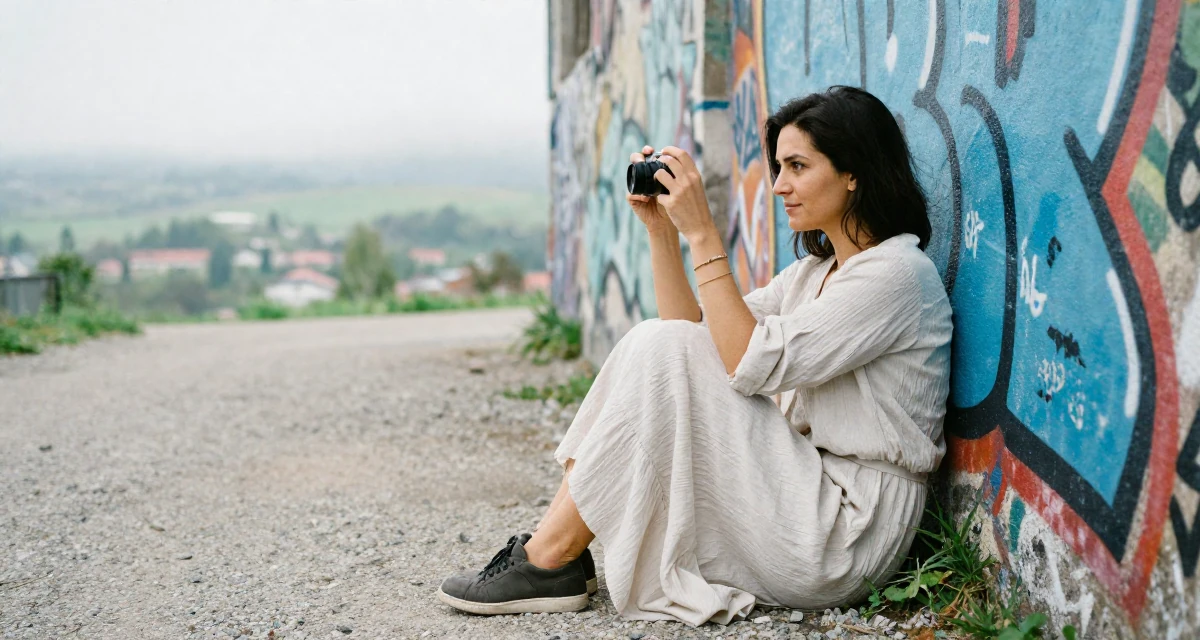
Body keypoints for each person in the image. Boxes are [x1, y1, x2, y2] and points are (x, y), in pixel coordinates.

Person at [437, 85, 953, 627]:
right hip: (803, 492)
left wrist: (704, 232)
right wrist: (663, 233)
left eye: (797, 167)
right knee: (654, 339)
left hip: (847, 535)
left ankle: (550, 557)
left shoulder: (895, 275)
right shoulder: (815, 275)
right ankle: (552, 552)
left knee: (666, 346)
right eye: (778, 167)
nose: (779, 186)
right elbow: (692, 335)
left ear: (855, 173)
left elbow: (747, 359)